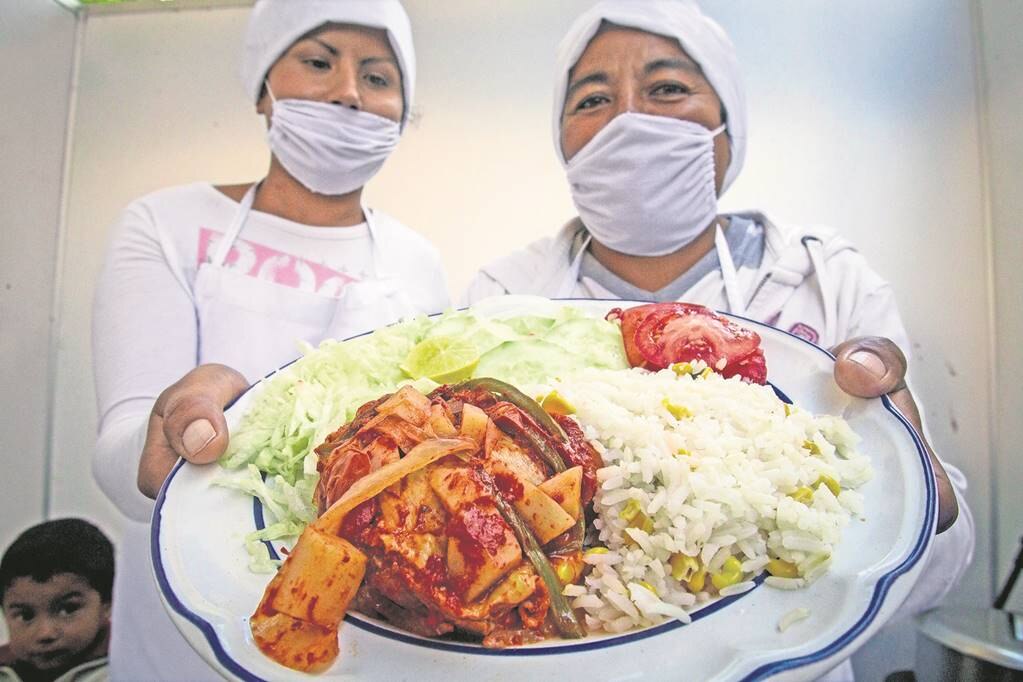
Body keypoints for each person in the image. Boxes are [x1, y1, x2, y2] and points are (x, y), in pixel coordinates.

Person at [464, 1, 974, 679]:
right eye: (592, 97)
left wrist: (917, 502)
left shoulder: (826, 280)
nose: (628, 118)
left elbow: (940, 570)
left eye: (667, 88)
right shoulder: (500, 298)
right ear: (562, 140)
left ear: (729, 125)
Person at [90, 1, 447, 678]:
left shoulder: (417, 262)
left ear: (401, 110)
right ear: (262, 89)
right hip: (177, 645)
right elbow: (118, 459)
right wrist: (161, 443)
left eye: (377, 76)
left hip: (357, 642)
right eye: (317, 62)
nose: (347, 91)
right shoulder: (168, 224)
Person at [0, 519, 114, 682]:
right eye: (26, 616)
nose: (45, 633)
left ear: (107, 603)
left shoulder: (129, 672)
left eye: (67, 609)